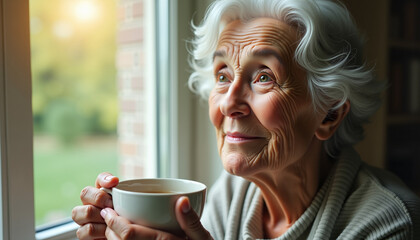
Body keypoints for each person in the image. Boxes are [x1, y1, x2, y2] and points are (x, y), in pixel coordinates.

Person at [72, 0, 420, 239]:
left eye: (263, 76)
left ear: (328, 114)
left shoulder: (387, 222)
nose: (228, 104)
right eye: (223, 75)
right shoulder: (231, 196)